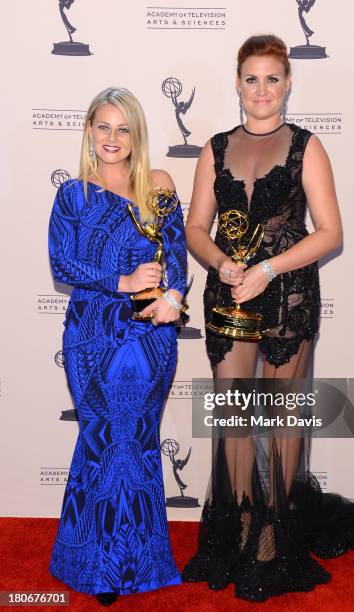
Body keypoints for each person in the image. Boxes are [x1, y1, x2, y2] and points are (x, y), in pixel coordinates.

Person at [181, 35, 354, 602]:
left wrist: (267, 269)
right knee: (237, 419)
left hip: (288, 296)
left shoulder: (306, 147)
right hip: (228, 301)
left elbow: (330, 232)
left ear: (288, 83)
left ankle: (273, 537)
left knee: (283, 421)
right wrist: (220, 262)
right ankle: (238, 527)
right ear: (237, 82)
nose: (262, 90)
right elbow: (197, 226)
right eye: (251, 78)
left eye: (273, 78)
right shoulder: (214, 148)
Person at [48, 87, 187, 606]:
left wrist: (174, 294)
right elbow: (64, 264)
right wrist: (122, 279)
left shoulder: (159, 185)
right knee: (103, 441)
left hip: (150, 337)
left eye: (122, 128)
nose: (112, 138)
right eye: (103, 127)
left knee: (139, 443)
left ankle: (143, 564)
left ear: (136, 135)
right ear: (89, 131)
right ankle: (94, 565)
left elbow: (176, 253)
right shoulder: (73, 195)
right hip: (92, 335)